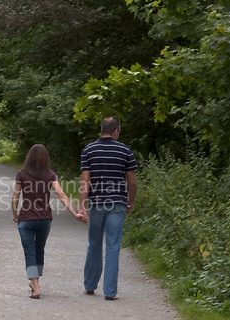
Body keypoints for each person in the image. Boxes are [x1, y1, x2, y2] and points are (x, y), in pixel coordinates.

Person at [12, 144, 85, 299]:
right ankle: (34, 282)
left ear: (29, 158)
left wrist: (15, 214)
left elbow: (15, 197)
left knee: (29, 252)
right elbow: (61, 194)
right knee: (39, 250)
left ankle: (36, 286)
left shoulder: (22, 174)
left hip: (26, 220)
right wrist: (74, 213)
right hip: (44, 220)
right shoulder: (50, 175)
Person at [78, 116, 137, 300]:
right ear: (116, 131)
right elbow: (132, 181)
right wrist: (131, 201)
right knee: (113, 245)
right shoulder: (125, 150)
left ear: (102, 130)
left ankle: (89, 285)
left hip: (96, 202)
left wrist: (82, 206)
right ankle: (110, 292)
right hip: (117, 203)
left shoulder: (89, 150)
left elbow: (85, 180)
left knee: (94, 242)